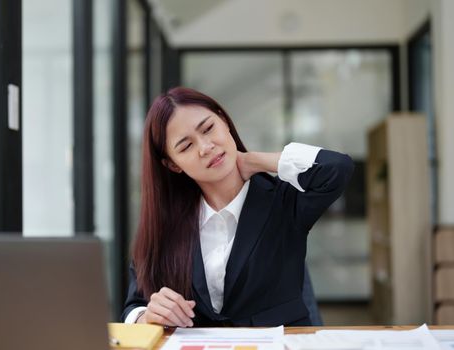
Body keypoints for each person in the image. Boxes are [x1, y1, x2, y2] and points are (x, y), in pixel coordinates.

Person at [122, 87, 354, 327]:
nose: (205, 147)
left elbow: (338, 168)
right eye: (185, 146)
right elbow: (133, 307)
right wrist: (147, 316)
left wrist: (254, 160)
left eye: (208, 128)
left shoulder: (282, 200)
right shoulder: (164, 225)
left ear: (224, 121)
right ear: (173, 164)